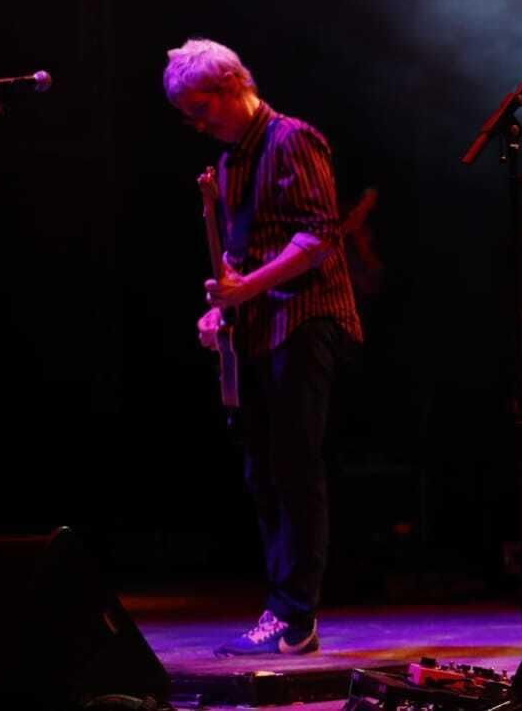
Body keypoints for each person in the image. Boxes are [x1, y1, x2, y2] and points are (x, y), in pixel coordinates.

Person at [164, 38, 362, 657]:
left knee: (295, 467)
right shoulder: (228, 165)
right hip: (257, 331)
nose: (198, 125)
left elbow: (318, 237)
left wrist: (244, 287)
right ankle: (281, 606)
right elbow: (237, 259)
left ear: (231, 85)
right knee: (264, 472)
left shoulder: (291, 139)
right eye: (188, 116)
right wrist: (217, 308)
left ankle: (296, 615)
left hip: (306, 320)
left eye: (201, 109)